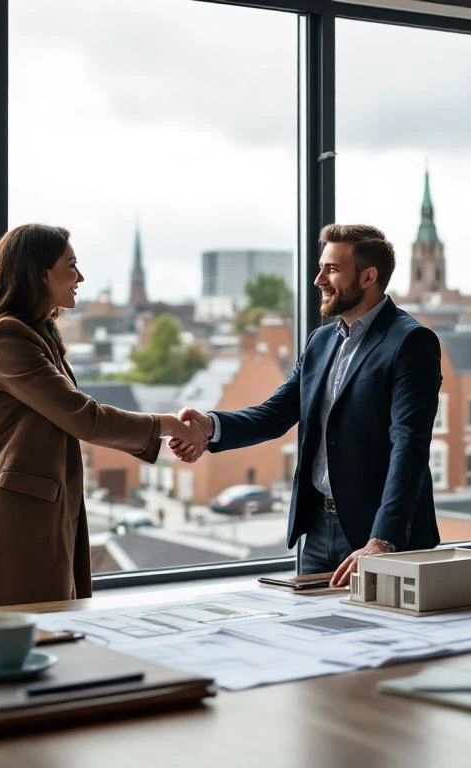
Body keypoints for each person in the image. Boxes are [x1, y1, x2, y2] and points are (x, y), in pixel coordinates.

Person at [0, 224, 206, 610]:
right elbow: (84, 417)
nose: (80, 277)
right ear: (40, 273)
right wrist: (166, 425)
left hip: (36, 512)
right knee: (18, 636)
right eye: (71, 266)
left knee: (45, 633)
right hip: (15, 520)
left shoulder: (36, 333)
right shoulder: (8, 337)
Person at [171, 224, 442, 587]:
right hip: (317, 532)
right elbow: (275, 414)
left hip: (376, 538)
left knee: (378, 640)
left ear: (368, 277)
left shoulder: (411, 342)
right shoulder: (320, 342)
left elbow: (409, 446)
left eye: (331, 269)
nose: (318, 280)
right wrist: (210, 427)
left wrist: (382, 541)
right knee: (313, 637)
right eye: (320, 268)